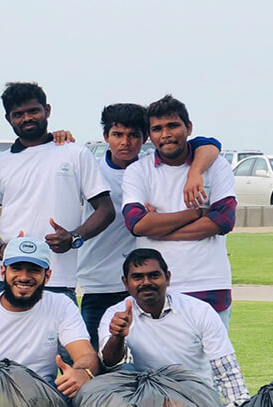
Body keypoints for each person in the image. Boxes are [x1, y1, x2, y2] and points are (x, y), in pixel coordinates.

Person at [78, 103, 222, 348]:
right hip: (99, 282)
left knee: (147, 362)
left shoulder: (149, 168)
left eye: (134, 135)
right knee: (96, 359)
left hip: (143, 283)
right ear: (105, 137)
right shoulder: (91, 170)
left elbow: (209, 144)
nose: (125, 142)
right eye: (118, 135)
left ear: (145, 138)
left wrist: (195, 172)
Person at [0, 81, 114, 303]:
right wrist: (1, 251)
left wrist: (74, 237)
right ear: (8, 119)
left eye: (33, 111)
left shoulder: (75, 154)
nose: (27, 118)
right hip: (7, 276)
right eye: (18, 114)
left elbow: (106, 210)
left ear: (46, 110)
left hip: (57, 279)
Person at [122, 95, 237, 328]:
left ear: (189, 128)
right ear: (149, 135)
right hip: (155, 285)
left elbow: (224, 220)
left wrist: (158, 228)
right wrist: (196, 213)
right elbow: (136, 224)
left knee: (211, 363)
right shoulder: (138, 171)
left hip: (209, 281)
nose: (165, 134)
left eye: (172, 125)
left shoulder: (216, 165)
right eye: (157, 128)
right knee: (157, 363)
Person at [99, 248, 250, 407]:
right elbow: (112, 365)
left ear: (168, 278)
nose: (146, 282)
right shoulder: (115, 315)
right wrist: (118, 336)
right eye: (137, 277)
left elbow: (226, 370)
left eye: (154, 275)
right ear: (126, 283)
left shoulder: (199, 311)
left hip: (197, 405)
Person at [0, 237, 99, 399]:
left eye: (33, 270)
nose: (24, 277)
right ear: (3, 272)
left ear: (47, 276)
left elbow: (86, 355)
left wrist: (82, 372)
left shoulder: (61, 305)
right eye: (16, 268)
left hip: (43, 400)